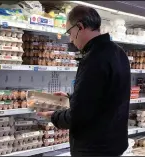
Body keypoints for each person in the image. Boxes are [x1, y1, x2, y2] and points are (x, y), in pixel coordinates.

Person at [38, 5, 131, 156]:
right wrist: (71, 98)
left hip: (94, 148)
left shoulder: (93, 58)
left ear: (80, 27)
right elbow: (103, 97)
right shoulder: (119, 52)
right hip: (114, 144)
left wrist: (53, 115)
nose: (70, 38)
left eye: (70, 32)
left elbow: (79, 115)